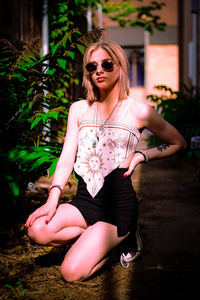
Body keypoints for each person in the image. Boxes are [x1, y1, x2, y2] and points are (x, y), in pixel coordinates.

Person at [25, 40, 186, 282]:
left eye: (107, 64)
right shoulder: (79, 109)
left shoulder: (139, 111)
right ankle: (92, 238)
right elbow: (68, 155)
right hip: (83, 201)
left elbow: (178, 143)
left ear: (120, 67)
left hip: (116, 207)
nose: (98, 70)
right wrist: (52, 200)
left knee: (70, 273)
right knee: (37, 230)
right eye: (92, 66)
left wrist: (142, 155)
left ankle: (121, 241)